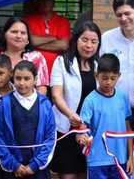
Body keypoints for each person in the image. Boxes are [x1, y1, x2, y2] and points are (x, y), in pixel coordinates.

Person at [99, 0, 134, 179]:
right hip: (117, 111)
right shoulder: (107, 38)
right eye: (119, 15)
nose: (124, 18)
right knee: (120, 162)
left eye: (128, 13)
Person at [50, 21, 100, 179]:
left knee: (87, 173)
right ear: (76, 40)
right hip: (67, 128)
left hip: (89, 130)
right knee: (68, 175)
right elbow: (56, 95)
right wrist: (70, 115)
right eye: (84, 40)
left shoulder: (98, 66)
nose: (89, 45)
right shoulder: (62, 62)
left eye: (94, 41)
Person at [0, 60, 56, 179]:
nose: (22, 83)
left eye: (27, 78)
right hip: (13, 169)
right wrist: (14, 165)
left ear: (35, 79)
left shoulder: (45, 104)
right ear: (13, 78)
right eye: (18, 78)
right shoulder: (5, 103)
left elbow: (50, 137)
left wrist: (35, 165)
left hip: (37, 169)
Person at [77, 53, 134, 179]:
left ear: (119, 76)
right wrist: (81, 138)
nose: (108, 82)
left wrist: (130, 156)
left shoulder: (123, 97)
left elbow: (127, 128)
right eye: (104, 78)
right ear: (96, 76)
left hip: (120, 158)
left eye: (113, 78)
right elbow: (81, 128)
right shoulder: (90, 100)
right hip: (97, 159)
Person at [0, 17, 49, 95]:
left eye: (23, 33)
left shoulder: (36, 57)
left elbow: (41, 89)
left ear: (27, 39)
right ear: (5, 34)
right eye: (14, 32)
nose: (18, 36)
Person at [24, 0, 71, 75]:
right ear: (37, 2)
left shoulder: (63, 21)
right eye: (42, 0)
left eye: (48, 0)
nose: (45, 3)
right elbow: (30, 41)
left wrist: (34, 44)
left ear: (53, 2)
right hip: (33, 69)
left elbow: (64, 45)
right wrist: (53, 38)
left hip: (57, 70)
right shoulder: (28, 20)